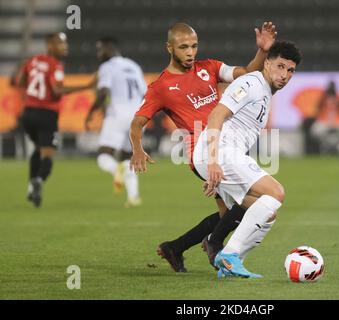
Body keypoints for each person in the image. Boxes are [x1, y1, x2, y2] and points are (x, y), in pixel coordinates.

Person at [129, 22, 277, 272]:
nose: (190, 52)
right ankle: (214, 245)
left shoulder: (209, 67)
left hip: (227, 144)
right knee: (254, 205)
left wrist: (262, 52)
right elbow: (137, 122)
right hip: (204, 151)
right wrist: (137, 149)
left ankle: (175, 248)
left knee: (229, 214)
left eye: (194, 46)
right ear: (170, 48)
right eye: (183, 47)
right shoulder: (161, 87)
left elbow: (247, 73)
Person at [192, 40, 302, 278]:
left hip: (226, 155)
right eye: (280, 66)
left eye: (290, 70)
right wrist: (212, 161)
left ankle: (232, 265)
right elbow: (215, 116)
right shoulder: (251, 83)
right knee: (276, 193)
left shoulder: (265, 92)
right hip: (219, 151)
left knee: (267, 212)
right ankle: (228, 254)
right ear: (268, 63)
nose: (284, 75)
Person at [12, 32, 94, 207]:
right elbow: (57, 90)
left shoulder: (32, 61)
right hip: (46, 114)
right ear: (50, 45)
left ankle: (30, 188)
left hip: (28, 113)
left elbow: (19, 82)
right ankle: (39, 180)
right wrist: (85, 86)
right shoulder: (55, 65)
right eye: (60, 44)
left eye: (64, 44)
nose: (65, 47)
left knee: (38, 149)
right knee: (48, 154)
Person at [85, 37, 147, 208]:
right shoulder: (134, 66)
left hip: (117, 114)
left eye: (100, 49)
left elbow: (104, 91)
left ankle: (116, 170)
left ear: (110, 48)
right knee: (128, 158)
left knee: (104, 155)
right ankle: (134, 197)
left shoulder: (107, 66)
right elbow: (145, 94)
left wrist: (91, 112)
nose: (98, 54)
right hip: (137, 116)